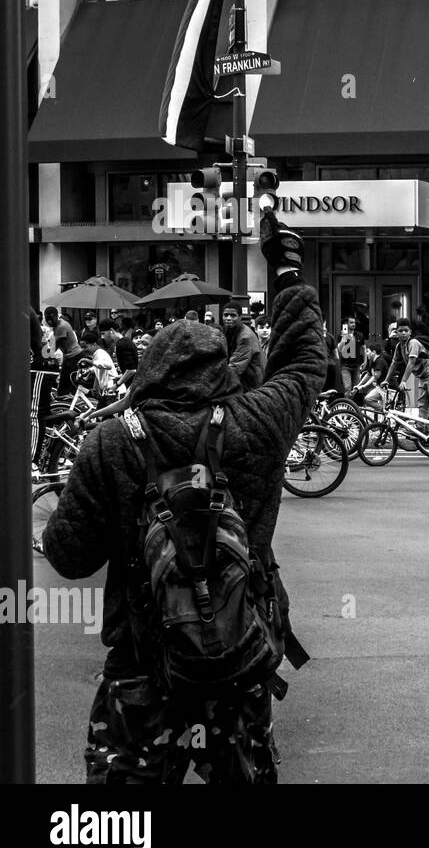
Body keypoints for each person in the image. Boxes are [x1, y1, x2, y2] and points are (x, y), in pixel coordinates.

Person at [42, 215, 324, 784]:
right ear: (222, 369)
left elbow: (69, 556)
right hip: (239, 658)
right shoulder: (258, 420)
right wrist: (287, 270)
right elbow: (302, 362)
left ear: (149, 370)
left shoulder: (112, 442)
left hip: (143, 667)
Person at [388, 317, 429, 431]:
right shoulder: (399, 346)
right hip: (423, 376)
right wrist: (386, 380)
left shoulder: (413, 343)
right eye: (400, 330)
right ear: (396, 332)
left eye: (406, 330)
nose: (403, 333)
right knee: (422, 404)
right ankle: (422, 430)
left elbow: (411, 363)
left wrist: (403, 381)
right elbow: (394, 364)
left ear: (410, 332)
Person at [223, 304, 266, 393]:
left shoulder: (245, 337)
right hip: (245, 382)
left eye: (233, 315)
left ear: (240, 317)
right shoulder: (230, 331)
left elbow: (235, 367)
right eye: (226, 315)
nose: (228, 318)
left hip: (252, 386)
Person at [45, 306, 83, 396]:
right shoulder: (59, 324)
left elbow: (55, 346)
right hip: (71, 357)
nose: (49, 322)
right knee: (67, 385)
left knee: (64, 387)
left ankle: (67, 407)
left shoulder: (61, 327)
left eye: (51, 319)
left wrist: (45, 358)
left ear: (56, 316)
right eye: (47, 319)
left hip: (73, 357)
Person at [354, 337, 390, 411]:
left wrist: (364, 386)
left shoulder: (380, 361)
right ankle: (383, 410)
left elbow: (375, 376)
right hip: (379, 387)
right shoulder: (372, 361)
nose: (366, 353)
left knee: (383, 405)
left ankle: (385, 411)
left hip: (387, 388)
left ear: (373, 352)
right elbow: (368, 374)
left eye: (368, 351)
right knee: (367, 399)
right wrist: (359, 385)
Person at [336, 316, 360, 391]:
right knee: (347, 388)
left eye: (354, 322)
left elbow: (363, 347)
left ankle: (353, 403)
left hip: (356, 365)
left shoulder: (358, 335)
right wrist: (344, 339)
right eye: (351, 322)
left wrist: (365, 361)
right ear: (346, 324)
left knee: (356, 388)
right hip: (345, 366)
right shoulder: (341, 335)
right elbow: (339, 350)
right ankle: (347, 403)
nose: (353, 324)